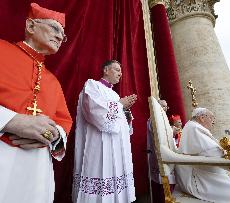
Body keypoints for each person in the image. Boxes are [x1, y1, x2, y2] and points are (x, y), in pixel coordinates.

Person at [0, 3, 72, 203]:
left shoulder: (53, 81)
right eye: (55, 28)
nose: (60, 37)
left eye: (63, 35)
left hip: (38, 170)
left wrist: (53, 134)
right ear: (31, 26)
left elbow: (64, 122)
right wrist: (10, 121)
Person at [72, 60, 137, 203]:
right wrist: (120, 105)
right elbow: (94, 111)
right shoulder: (92, 85)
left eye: (121, 71)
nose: (120, 74)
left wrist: (126, 112)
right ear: (106, 70)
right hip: (98, 144)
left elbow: (120, 123)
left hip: (117, 147)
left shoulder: (114, 94)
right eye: (116, 69)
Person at [175, 107, 230, 203]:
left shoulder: (193, 126)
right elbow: (212, 152)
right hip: (200, 180)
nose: (213, 121)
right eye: (211, 118)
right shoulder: (194, 128)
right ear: (202, 118)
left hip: (206, 173)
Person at [147, 100, 175, 203]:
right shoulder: (154, 119)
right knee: (163, 183)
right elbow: (159, 136)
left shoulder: (163, 119)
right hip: (158, 156)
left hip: (167, 156)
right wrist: (172, 131)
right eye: (163, 106)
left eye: (166, 106)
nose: (165, 108)